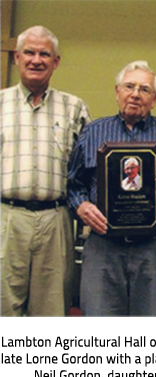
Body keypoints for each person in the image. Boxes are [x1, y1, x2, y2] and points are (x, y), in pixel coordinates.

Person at [68, 60, 156, 317]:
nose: (136, 94)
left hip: (155, 249)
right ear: (117, 92)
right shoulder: (93, 132)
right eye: (129, 86)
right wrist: (82, 205)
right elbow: (73, 184)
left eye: (144, 89)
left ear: (154, 99)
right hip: (104, 247)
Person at [0, 26, 91, 317]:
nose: (36, 60)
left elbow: (88, 170)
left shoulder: (74, 108)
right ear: (17, 57)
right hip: (6, 219)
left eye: (44, 54)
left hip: (56, 219)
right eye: (29, 52)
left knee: (52, 308)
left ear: (56, 61)